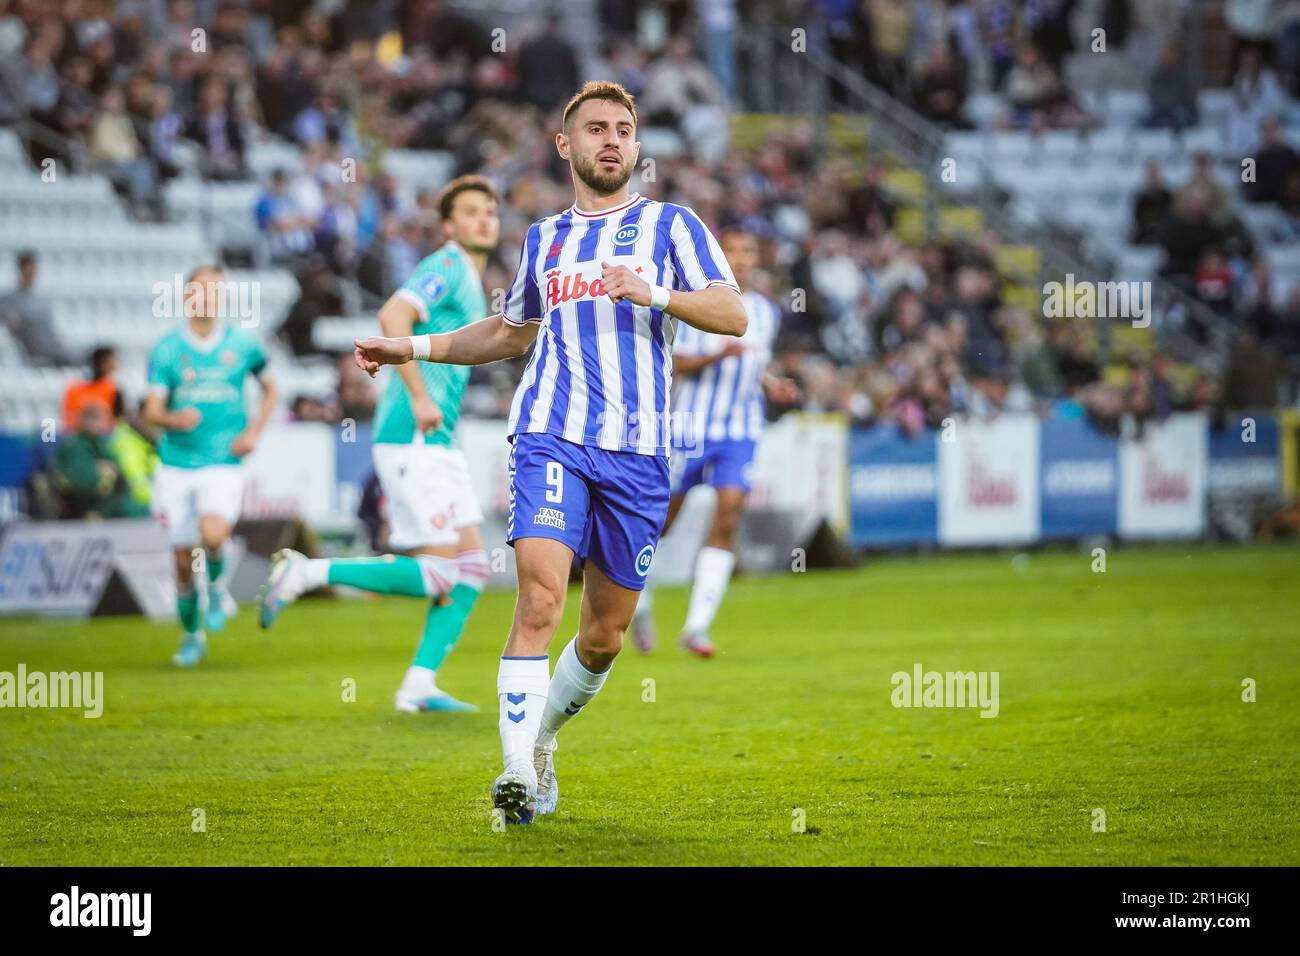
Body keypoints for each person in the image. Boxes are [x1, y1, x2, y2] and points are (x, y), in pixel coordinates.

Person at [352, 82, 747, 823]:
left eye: (624, 129)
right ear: (564, 145)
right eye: (595, 128)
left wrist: (655, 293)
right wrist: (407, 345)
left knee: (603, 637)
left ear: (636, 145)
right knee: (538, 599)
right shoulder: (544, 239)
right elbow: (508, 333)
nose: (612, 140)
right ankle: (513, 777)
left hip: (638, 455)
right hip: (550, 434)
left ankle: (541, 742)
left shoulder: (672, 226)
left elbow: (733, 313)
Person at [259, 175, 500, 714]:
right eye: (471, 211)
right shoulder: (447, 263)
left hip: (436, 440)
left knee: (472, 566)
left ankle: (418, 684)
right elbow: (393, 316)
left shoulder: (470, 276)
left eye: (490, 210)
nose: (484, 218)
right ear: (449, 225)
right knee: (442, 571)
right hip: (413, 434)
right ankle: (307, 571)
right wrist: (417, 395)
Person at [632, 227, 797, 657]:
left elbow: (754, 362)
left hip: (740, 428)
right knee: (662, 521)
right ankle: (639, 602)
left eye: (748, 251)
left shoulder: (764, 311)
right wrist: (717, 355)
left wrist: (771, 384)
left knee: (727, 516)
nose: (741, 258)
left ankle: (696, 627)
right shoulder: (693, 300)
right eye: (734, 250)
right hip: (690, 425)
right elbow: (674, 362)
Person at [142, 264, 279, 668]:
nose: (210, 297)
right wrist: (173, 419)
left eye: (217, 290)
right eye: (202, 290)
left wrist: (253, 432)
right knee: (183, 561)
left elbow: (272, 389)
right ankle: (191, 636)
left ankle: (217, 587)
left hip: (223, 459)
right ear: (187, 297)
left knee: (214, 533)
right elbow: (151, 410)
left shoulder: (244, 345)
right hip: (176, 463)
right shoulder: (167, 349)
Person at [53, 400, 149, 520]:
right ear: (85, 421)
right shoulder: (74, 446)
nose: (101, 425)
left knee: (143, 509)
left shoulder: (101, 444)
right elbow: (84, 481)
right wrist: (102, 475)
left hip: (111, 501)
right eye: (96, 419)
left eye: (103, 420)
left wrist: (107, 473)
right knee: (136, 512)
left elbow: (119, 475)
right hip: (88, 505)